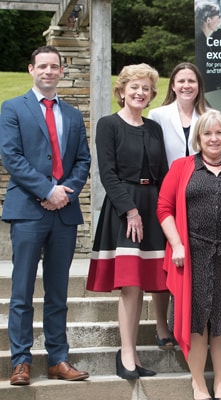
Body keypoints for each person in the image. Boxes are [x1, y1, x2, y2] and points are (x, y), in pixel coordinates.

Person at [0, 45, 91, 386]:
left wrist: (64, 192)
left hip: (63, 213)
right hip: (27, 210)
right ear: (31, 69)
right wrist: (46, 190)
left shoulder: (71, 114)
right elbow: (12, 156)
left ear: (61, 70)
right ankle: (21, 361)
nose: (49, 71)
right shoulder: (12, 108)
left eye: (55, 66)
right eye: (43, 66)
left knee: (58, 292)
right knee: (22, 291)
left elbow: (83, 160)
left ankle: (58, 358)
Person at [157, 109, 221, 400]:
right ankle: (198, 383)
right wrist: (176, 244)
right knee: (196, 323)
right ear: (198, 138)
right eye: (207, 133)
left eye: (219, 133)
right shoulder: (181, 167)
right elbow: (164, 209)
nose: (214, 138)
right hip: (191, 256)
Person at [86, 63, 169, 380]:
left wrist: (164, 212)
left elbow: (161, 174)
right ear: (122, 91)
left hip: (153, 207)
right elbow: (107, 173)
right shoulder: (109, 125)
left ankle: (135, 351)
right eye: (134, 87)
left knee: (149, 284)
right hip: (125, 211)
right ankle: (127, 355)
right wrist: (130, 210)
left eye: (146, 88)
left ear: (151, 95)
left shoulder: (154, 128)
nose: (140, 92)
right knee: (131, 287)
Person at [148, 62, 209, 351]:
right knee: (163, 263)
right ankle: (163, 326)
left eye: (192, 81)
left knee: (195, 264)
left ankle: (193, 323)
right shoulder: (158, 115)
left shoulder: (208, 116)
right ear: (172, 85)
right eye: (181, 80)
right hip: (166, 199)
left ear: (199, 86)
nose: (186, 85)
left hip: (201, 199)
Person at [195, 2, 221, 71]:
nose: (219, 21)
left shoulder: (202, 39)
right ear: (208, 20)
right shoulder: (200, 42)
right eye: (218, 17)